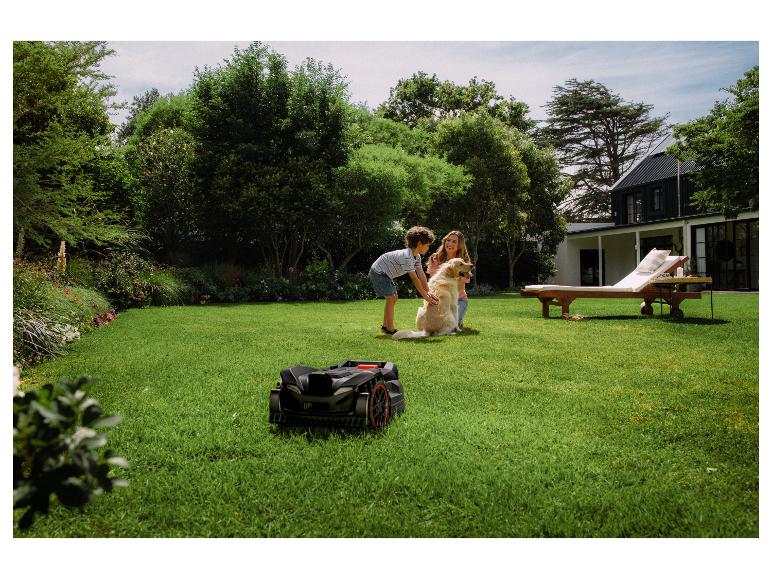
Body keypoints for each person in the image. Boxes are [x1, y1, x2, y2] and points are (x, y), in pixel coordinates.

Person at [369, 226, 439, 335]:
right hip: (378, 272)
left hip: (385, 274)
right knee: (391, 298)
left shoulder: (417, 257)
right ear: (420, 243)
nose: (428, 248)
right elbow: (415, 279)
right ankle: (390, 329)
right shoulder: (406, 257)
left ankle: (385, 326)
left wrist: (428, 291)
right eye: (427, 245)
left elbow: (421, 275)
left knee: (393, 298)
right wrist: (425, 296)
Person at [427, 230, 472, 330]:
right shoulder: (435, 258)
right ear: (444, 241)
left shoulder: (464, 262)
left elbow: (459, 287)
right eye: (448, 240)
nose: (450, 243)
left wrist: (454, 271)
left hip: (458, 301)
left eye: (454, 242)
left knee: (450, 327)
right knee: (437, 326)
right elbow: (433, 284)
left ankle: (457, 320)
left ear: (459, 245)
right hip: (440, 300)